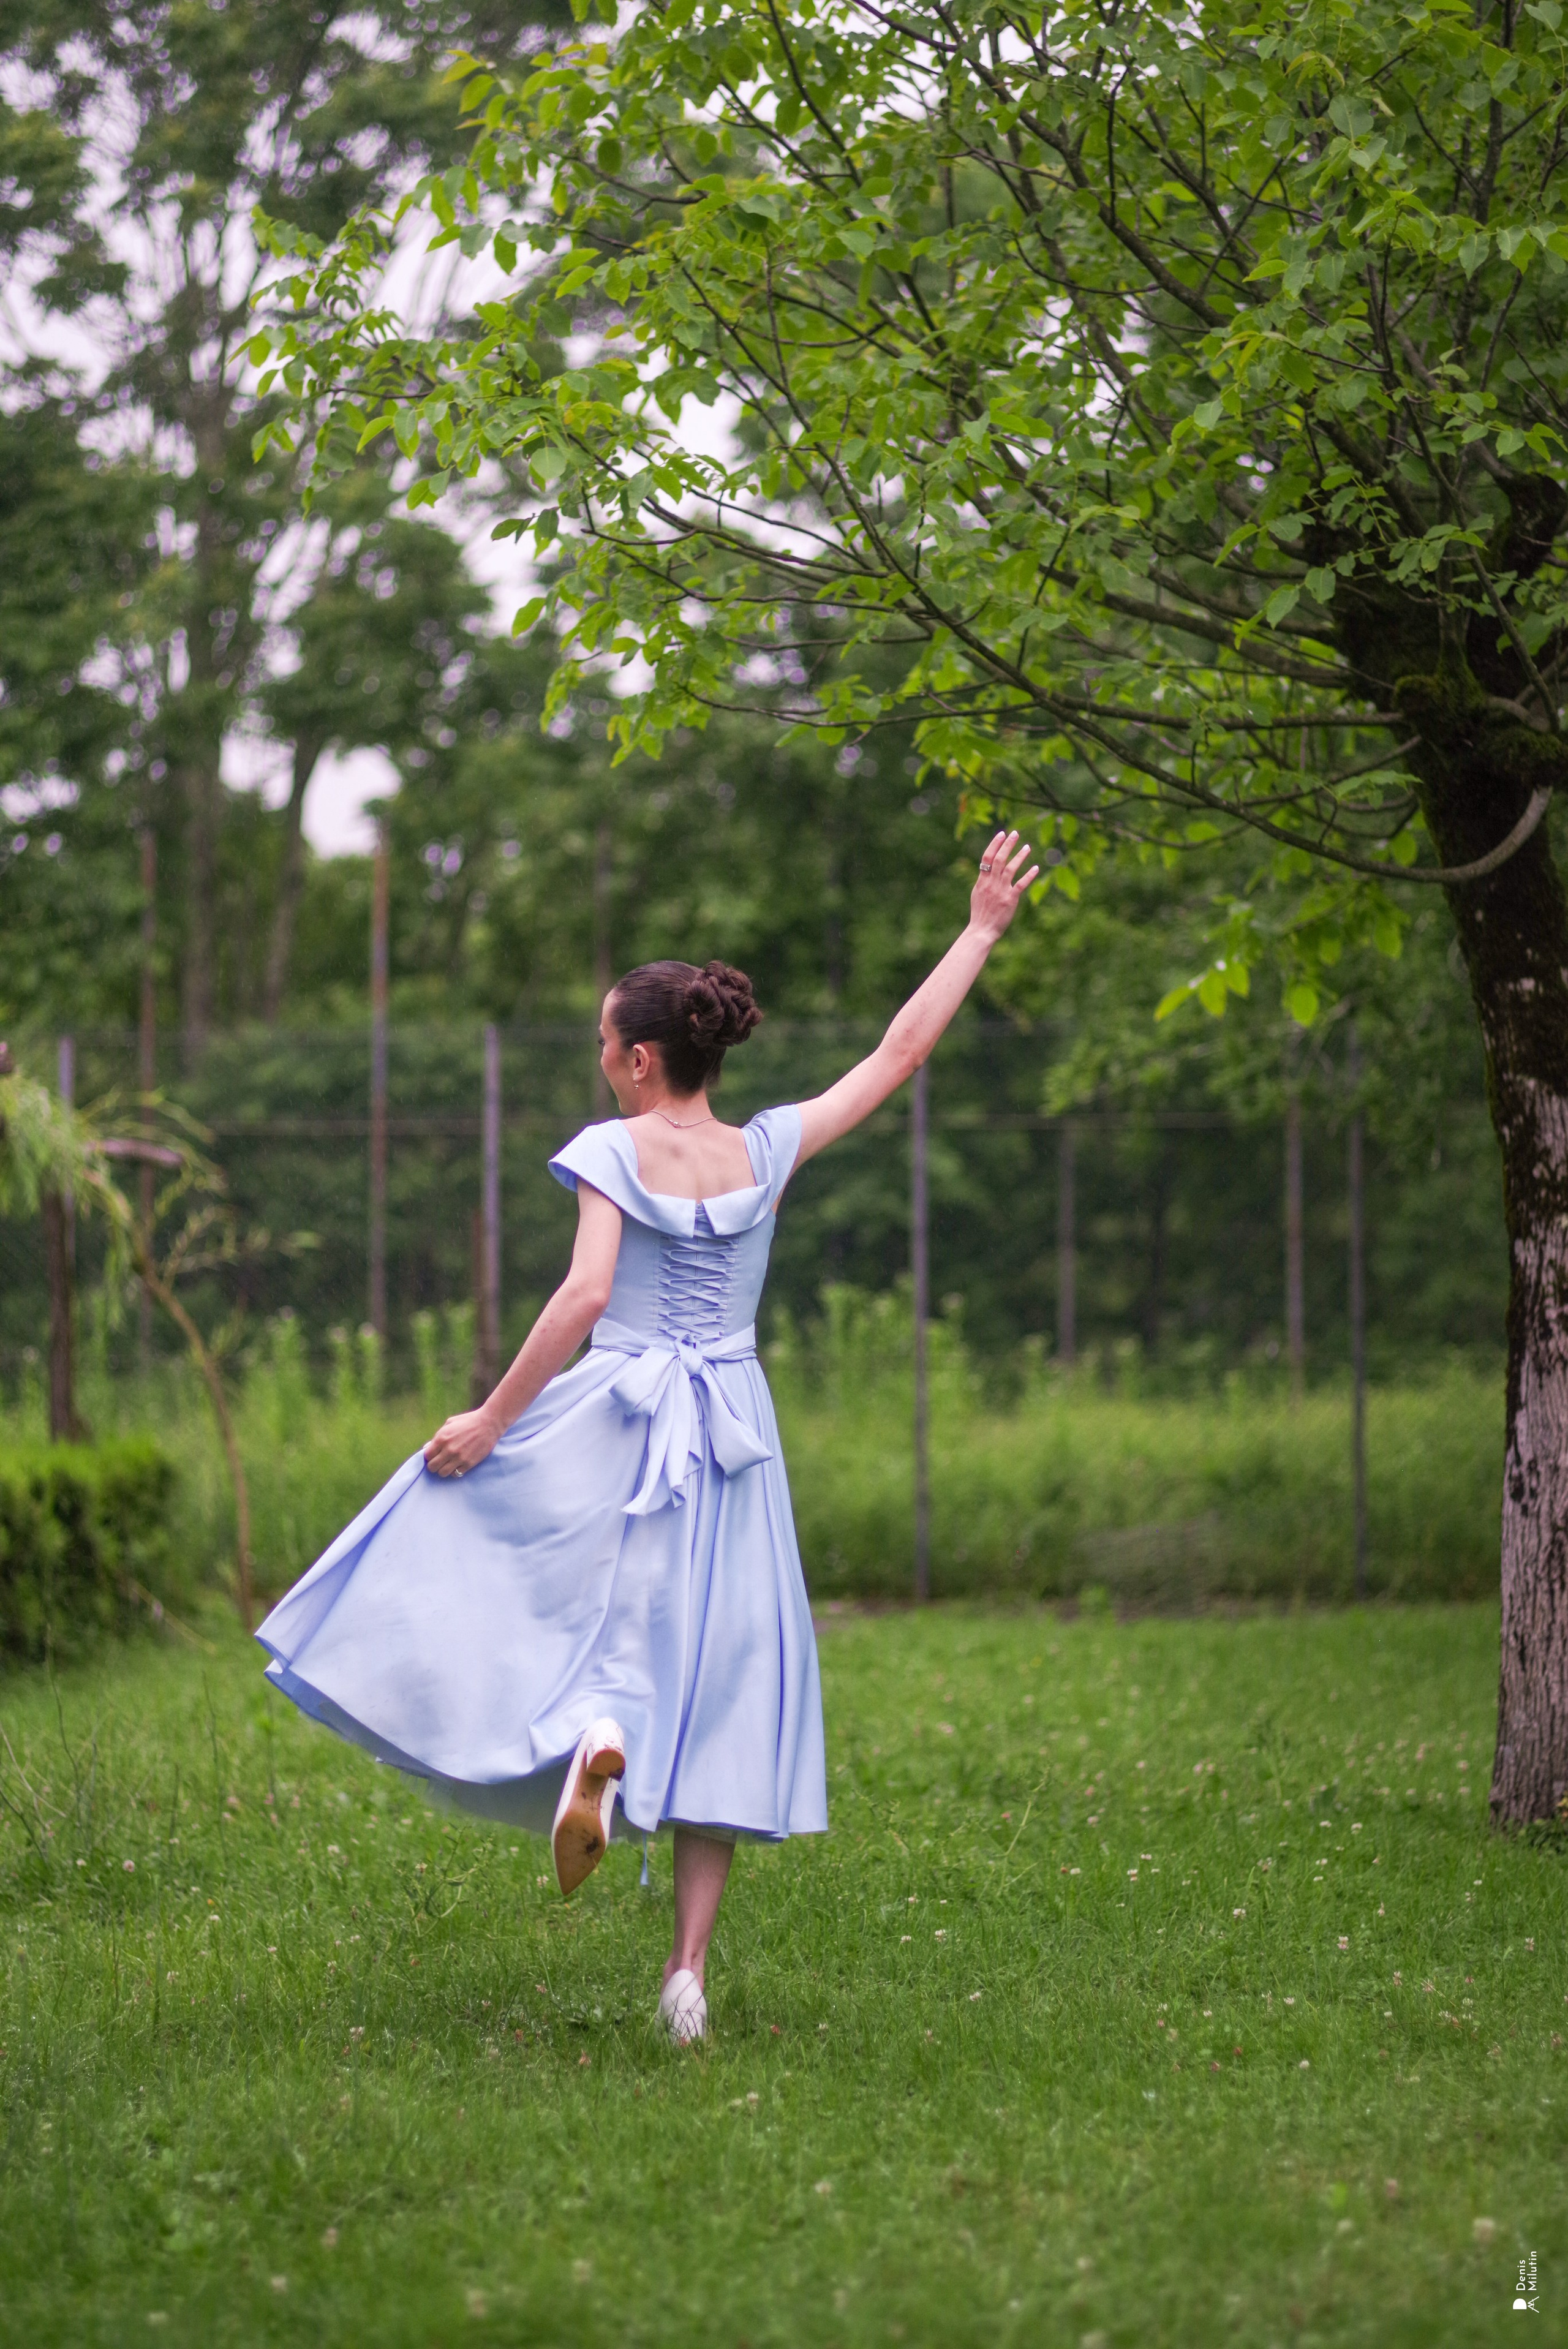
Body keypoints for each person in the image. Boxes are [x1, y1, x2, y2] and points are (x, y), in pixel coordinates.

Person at [256, 830, 1038, 2045]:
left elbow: (578, 1300)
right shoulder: (764, 1148)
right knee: (719, 1670)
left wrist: (490, 1416)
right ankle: (685, 1974)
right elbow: (899, 1051)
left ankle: (599, 1736)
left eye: (599, 1046)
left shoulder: (613, 1150)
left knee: (545, 1587)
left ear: (634, 1058)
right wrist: (979, 927)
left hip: (616, 1413)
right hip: (730, 1431)